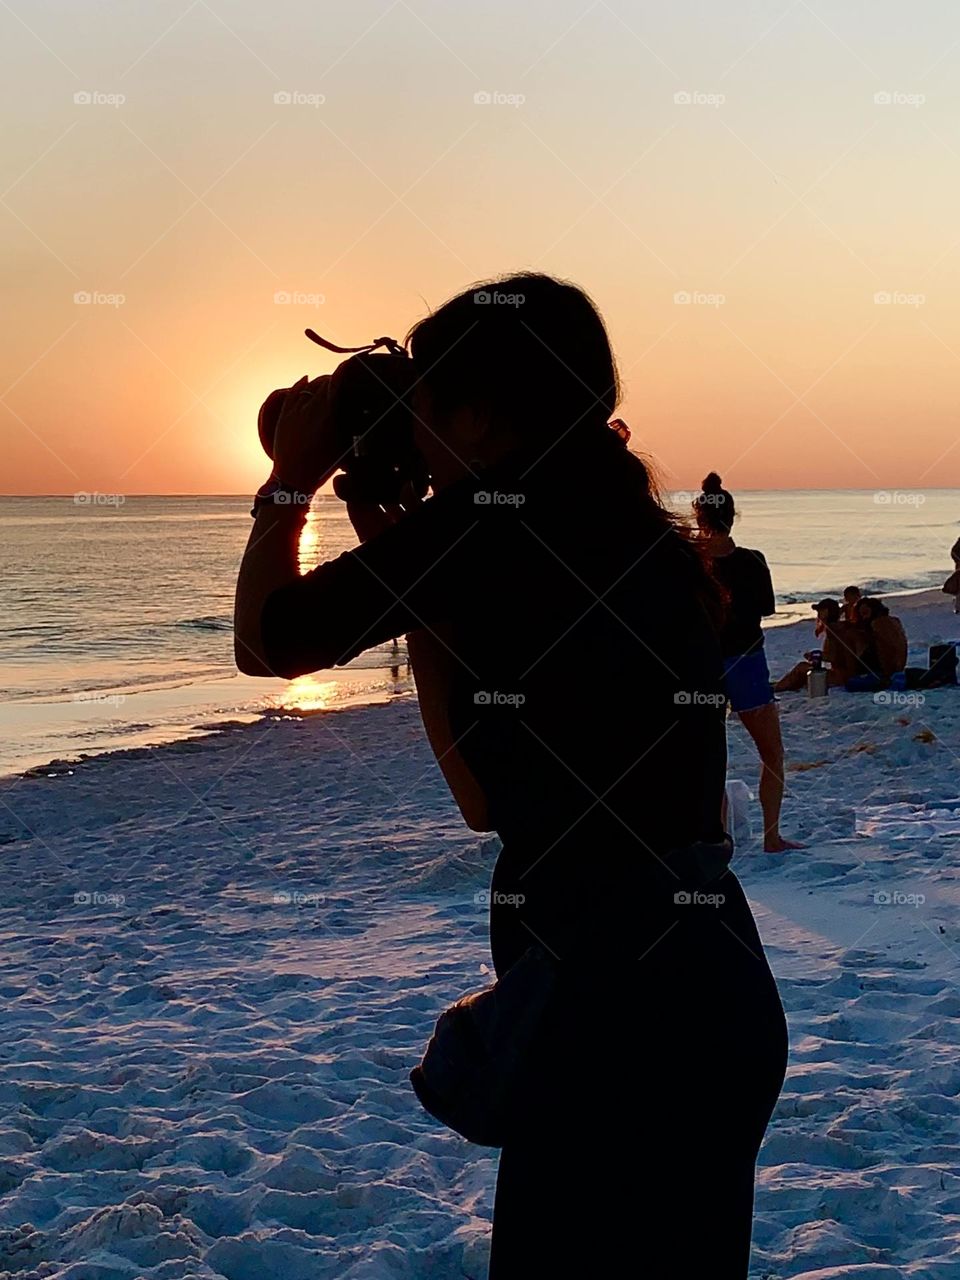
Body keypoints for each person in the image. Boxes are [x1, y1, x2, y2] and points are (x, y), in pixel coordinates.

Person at [234, 274, 787, 1278]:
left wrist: (291, 478)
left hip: (613, 1027)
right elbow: (486, 795)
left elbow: (266, 642)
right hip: (711, 996)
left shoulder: (494, 522)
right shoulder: (642, 539)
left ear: (481, 416)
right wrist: (410, 565)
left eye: (426, 404)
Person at [693, 473, 802, 854]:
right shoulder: (752, 561)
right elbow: (766, 608)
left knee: (711, 758)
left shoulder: (690, 562)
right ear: (733, 516)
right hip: (747, 662)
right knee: (771, 752)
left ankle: (718, 837)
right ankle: (771, 836)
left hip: (703, 666)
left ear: (698, 519)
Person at [774, 598, 869, 691]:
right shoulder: (842, 626)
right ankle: (781, 685)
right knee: (803, 671)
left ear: (827, 612)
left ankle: (777, 688)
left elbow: (833, 656)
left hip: (843, 675)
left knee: (802, 667)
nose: (818, 614)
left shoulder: (834, 630)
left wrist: (816, 655)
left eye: (820, 611)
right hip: (850, 673)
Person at [858, 596, 908, 681]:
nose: (864, 618)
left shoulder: (876, 624)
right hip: (898, 668)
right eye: (862, 615)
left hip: (885, 672)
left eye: (865, 613)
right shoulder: (895, 620)